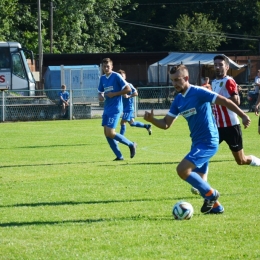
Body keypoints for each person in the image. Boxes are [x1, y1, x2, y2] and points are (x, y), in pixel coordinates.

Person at [144, 64, 250, 214]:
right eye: (172, 80)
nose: (174, 84)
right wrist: (152, 120)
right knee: (200, 180)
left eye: (177, 80)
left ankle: (212, 195)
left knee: (182, 170)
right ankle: (216, 207)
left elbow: (225, 101)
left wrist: (243, 115)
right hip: (197, 144)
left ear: (186, 78)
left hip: (209, 142)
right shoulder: (178, 100)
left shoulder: (199, 92)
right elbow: (166, 124)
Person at [210, 54, 260, 167]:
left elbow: (236, 101)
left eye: (220, 65)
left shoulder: (229, 81)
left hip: (231, 126)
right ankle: (199, 182)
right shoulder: (213, 82)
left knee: (241, 160)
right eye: (215, 65)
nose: (217, 67)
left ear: (227, 67)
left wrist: (220, 100)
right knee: (204, 151)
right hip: (216, 126)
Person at [98, 58, 137, 161]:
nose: (106, 68)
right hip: (106, 108)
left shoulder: (116, 76)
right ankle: (119, 156)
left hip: (115, 108)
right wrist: (100, 96)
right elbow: (100, 91)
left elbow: (128, 89)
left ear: (112, 67)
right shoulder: (102, 78)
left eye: (108, 66)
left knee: (111, 132)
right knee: (106, 134)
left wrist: (114, 94)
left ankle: (131, 144)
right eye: (104, 66)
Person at [117, 69, 152, 136]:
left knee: (122, 123)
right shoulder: (119, 87)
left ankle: (120, 138)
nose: (121, 78)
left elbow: (136, 93)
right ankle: (147, 126)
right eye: (120, 76)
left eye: (122, 76)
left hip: (128, 108)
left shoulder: (129, 85)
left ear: (125, 77)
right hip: (125, 108)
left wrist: (129, 96)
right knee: (132, 123)